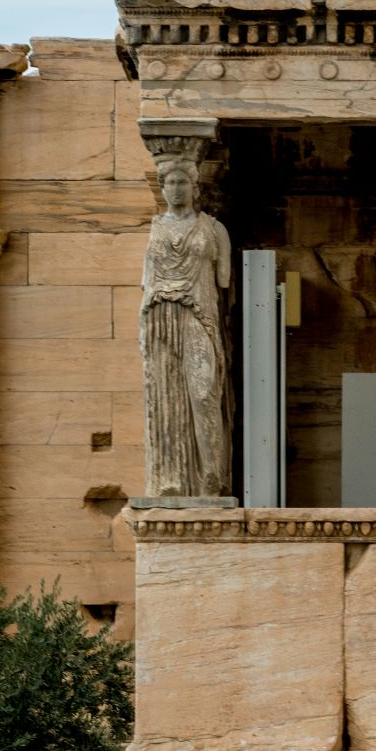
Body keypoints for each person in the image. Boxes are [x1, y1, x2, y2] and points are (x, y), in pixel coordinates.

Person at [140, 155, 233, 497]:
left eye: (182, 182)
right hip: (159, 317)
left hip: (198, 315)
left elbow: (224, 279)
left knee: (204, 391)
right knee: (165, 395)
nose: (176, 189)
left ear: (195, 188)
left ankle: (212, 477)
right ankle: (171, 481)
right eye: (170, 182)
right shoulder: (155, 228)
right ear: (162, 188)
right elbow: (146, 282)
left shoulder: (214, 229)